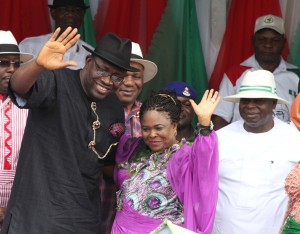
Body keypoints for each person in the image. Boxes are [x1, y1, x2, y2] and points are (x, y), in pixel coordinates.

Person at [0, 27, 138, 234]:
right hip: (37, 216)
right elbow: (19, 86)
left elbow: (107, 163)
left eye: (117, 76)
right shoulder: (57, 80)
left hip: (83, 219)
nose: (108, 81)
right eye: (102, 69)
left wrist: (148, 164)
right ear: (89, 62)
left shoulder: (113, 107)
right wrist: (37, 65)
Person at [111, 88, 220, 233]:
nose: (152, 134)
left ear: (174, 126)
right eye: (146, 129)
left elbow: (204, 162)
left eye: (158, 128)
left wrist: (204, 126)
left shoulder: (183, 157)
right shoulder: (134, 148)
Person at [212, 70, 300, 234]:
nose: (250, 106)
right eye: (245, 100)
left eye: (259, 100)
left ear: (273, 103)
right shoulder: (218, 139)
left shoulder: (294, 140)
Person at [100, 42, 158, 234]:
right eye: (123, 75)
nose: (129, 82)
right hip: (97, 204)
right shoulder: (94, 109)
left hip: (136, 216)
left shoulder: (151, 115)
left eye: (136, 76)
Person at [212, 14, 300, 130]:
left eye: (275, 40)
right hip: (243, 143)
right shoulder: (235, 74)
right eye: (262, 39)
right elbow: (220, 118)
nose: (268, 45)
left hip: (286, 145)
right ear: (253, 40)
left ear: (283, 42)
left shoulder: (297, 75)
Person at [0, 31, 33, 229]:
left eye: (16, 64)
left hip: (22, 206)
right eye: (4, 63)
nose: (12, 69)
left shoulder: (31, 103)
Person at [19, 0, 93, 69]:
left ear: (83, 14)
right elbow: (14, 80)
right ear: (53, 13)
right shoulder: (28, 46)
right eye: (64, 10)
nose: (70, 14)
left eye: (77, 10)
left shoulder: (90, 54)